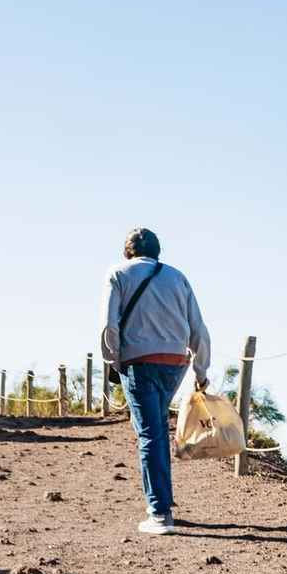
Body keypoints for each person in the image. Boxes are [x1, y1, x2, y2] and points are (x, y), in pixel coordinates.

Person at [99, 227, 212, 535]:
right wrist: (201, 371)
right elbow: (199, 328)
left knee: (150, 433)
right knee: (157, 429)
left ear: (128, 252)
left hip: (139, 362)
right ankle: (163, 502)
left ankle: (160, 514)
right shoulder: (178, 277)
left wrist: (114, 361)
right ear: (157, 251)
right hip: (175, 363)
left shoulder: (118, 273)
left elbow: (109, 325)